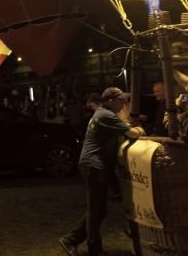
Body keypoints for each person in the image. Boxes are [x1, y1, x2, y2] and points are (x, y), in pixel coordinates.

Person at [60, 87, 144, 256]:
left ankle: (74, 240)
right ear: (110, 101)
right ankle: (89, 247)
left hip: (94, 164)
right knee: (95, 208)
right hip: (94, 165)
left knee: (99, 209)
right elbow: (134, 133)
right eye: (121, 100)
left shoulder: (103, 114)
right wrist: (138, 128)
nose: (124, 103)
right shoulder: (106, 115)